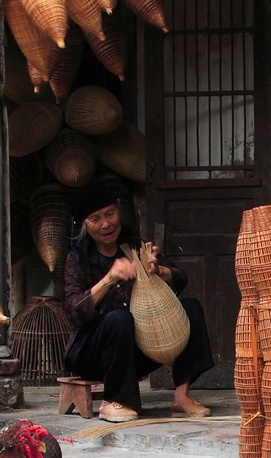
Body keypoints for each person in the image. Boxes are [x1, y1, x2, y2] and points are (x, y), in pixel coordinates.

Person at [60, 179, 216, 423]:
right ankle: (111, 402)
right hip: (92, 354)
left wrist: (158, 270)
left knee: (191, 308)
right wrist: (108, 279)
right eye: (95, 219)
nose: (106, 224)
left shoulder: (134, 247)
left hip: (137, 349)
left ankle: (181, 397)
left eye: (110, 214)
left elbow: (180, 278)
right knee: (120, 318)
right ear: (84, 225)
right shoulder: (78, 257)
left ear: (118, 211)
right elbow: (73, 311)